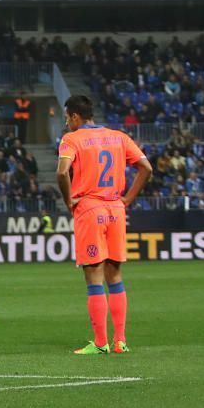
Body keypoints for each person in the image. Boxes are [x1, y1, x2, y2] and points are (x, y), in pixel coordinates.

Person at [56, 95, 152, 355]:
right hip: (116, 208)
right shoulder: (119, 136)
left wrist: (68, 201)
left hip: (90, 207)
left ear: (76, 116)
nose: (66, 123)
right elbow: (146, 167)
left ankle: (100, 343)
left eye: (67, 118)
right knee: (115, 275)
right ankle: (120, 341)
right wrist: (128, 199)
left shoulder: (72, 139)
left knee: (94, 276)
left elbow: (62, 172)